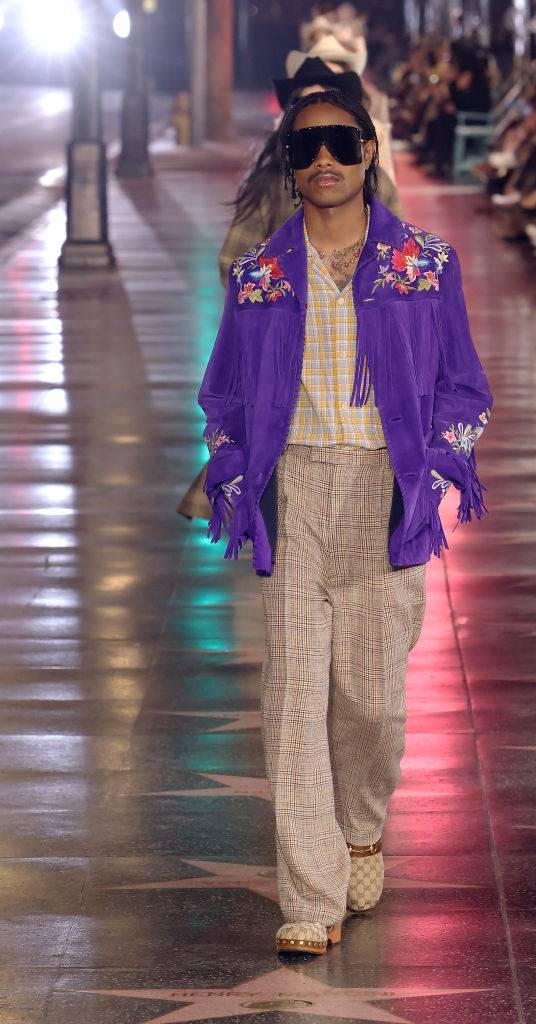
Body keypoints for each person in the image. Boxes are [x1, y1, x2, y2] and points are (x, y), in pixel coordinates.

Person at [198, 88, 492, 955]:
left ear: (367, 152)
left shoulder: (425, 266)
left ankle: (360, 829)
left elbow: (464, 386)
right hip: (292, 493)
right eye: (304, 147)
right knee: (292, 700)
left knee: (369, 705)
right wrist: (235, 469)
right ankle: (310, 893)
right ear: (288, 167)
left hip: (385, 495)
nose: (322, 158)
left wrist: (436, 468)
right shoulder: (260, 276)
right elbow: (222, 391)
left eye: (339, 142)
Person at [177, 56, 403, 521]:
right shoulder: (269, 180)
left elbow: (399, 264)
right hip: (286, 339)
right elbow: (232, 260)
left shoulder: (373, 184)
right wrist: (269, 304)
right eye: (303, 104)